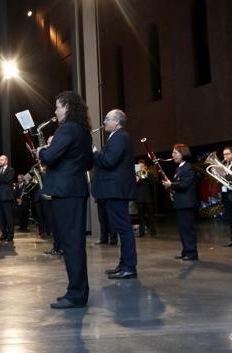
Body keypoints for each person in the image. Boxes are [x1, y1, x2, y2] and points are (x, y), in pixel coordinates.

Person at [37, 91, 92, 309]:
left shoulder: (66, 129)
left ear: (67, 107)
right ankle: (77, 291)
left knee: (71, 245)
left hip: (66, 192)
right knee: (75, 244)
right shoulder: (83, 131)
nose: (55, 110)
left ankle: (76, 295)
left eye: (58, 106)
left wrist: (42, 150)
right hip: (76, 190)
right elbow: (88, 163)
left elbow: (49, 157)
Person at [92, 109, 138, 280]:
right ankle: (124, 265)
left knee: (124, 229)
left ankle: (129, 268)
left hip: (117, 190)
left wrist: (95, 152)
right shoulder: (116, 137)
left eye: (107, 119)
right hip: (114, 190)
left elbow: (109, 162)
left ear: (117, 122)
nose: (104, 122)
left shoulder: (120, 137)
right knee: (121, 228)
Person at [162, 144, 199, 260]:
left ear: (183, 154)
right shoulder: (180, 168)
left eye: (175, 153)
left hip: (187, 203)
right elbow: (179, 183)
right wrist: (171, 185)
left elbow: (185, 184)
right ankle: (186, 251)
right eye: (173, 153)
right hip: (182, 203)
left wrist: (171, 184)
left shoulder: (188, 167)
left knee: (188, 229)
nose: (173, 155)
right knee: (183, 229)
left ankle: (192, 253)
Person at [0, 155, 16, 242]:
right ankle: (4, 233)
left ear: (6, 161)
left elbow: (6, 180)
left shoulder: (10, 170)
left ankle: (10, 235)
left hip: (7, 197)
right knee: (0, 217)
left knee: (8, 217)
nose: (0, 161)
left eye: (2, 160)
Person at [135, 160, 156, 237]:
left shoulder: (149, 174)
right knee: (140, 217)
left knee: (151, 216)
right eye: (139, 166)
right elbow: (136, 183)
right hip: (139, 199)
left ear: (145, 166)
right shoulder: (136, 175)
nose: (141, 168)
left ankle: (153, 232)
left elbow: (154, 181)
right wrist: (138, 176)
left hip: (148, 198)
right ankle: (141, 232)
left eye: (142, 166)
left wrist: (146, 173)